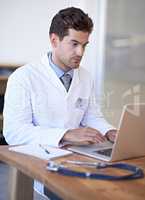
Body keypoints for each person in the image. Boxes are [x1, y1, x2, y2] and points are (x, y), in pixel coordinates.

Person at [3, 7, 116, 199]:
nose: (80, 52)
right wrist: (65, 135)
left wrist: (108, 131)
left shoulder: (85, 77)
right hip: (43, 168)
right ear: (54, 40)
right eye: (74, 44)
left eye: (84, 45)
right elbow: (14, 132)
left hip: (80, 160)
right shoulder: (23, 77)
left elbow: (92, 116)